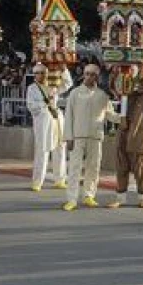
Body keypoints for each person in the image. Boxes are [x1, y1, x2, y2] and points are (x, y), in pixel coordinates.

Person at [62, 64, 119, 211]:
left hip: (95, 135)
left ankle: (89, 195)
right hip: (77, 135)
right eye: (86, 74)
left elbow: (109, 114)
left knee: (93, 167)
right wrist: (68, 137)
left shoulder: (102, 94)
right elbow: (68, 116)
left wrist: (123, 118)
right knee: (74, 168)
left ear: (97, 76)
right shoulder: (75, 93)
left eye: (92, 74)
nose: (89, 77)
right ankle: (72, 199)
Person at [108, 68, 143, 209]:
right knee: (121, 165)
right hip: (124, 132)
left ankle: (142, 197)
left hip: (140, 136)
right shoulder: (127, 95)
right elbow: (114, 87)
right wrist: (116, 71)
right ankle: (120, 197)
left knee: (140, 167)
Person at [26, 63, 71, 191]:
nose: (40, 75)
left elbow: (68, 84)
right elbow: (31, 106)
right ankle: (37, 182)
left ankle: (60, 179)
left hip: (56, 120)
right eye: (37, 73)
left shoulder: (53, 85)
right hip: (43, 121)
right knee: (42, 150)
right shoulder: (32, 88)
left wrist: (64, 69)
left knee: (60, 149)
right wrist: (46, 103)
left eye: (42, 73)